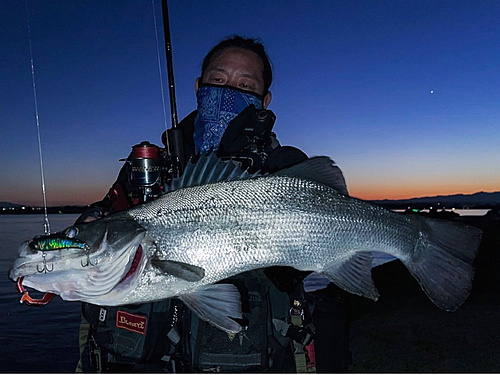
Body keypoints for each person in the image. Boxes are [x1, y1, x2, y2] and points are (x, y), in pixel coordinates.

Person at [75, 35, 351, 373]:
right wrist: (82, 235)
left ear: (264, 100)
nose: (228, 91)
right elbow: (108, 214)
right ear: (198, 87)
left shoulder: (281, 168)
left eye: (245, 85)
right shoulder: (149, 168)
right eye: (217, 80)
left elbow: (305, 261)